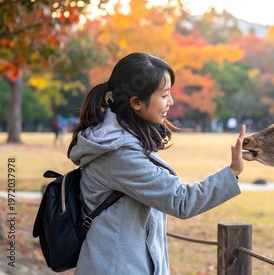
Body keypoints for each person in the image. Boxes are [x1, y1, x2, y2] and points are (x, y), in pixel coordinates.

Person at [67, 52, 245, 274]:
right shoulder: (119, 154)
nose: (170, 102)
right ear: (136, 103)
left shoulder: (115, 139)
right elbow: (181, 201)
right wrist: (232, 172)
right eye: (164, 95)